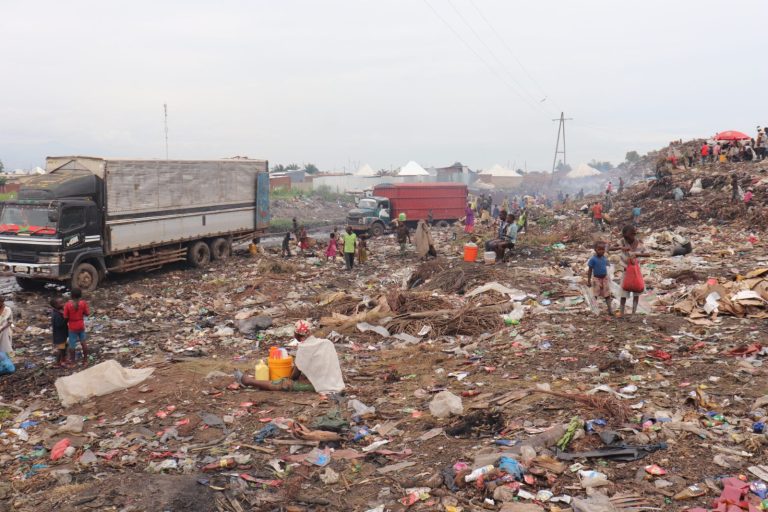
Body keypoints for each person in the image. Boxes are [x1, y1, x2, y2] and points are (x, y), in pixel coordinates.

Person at [235, 320, 345, 394]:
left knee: (284, 383)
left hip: (324, 387)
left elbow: (294, 376)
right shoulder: (326, 343)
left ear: (296, 335)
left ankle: (248, 381)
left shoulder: (304, 348)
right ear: (310, 332)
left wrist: (287, 376)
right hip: (337, 383)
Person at [611, 225, 650, 316]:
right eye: (629, 235)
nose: (630, 237)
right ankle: (621, 312)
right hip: (626, 271)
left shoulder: (638, 242)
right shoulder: (622, 241)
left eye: (633, 234)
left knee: (636, 293)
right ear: (624, 235)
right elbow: (610, 248)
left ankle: (633, 313)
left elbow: (648, 254)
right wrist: (621, 248)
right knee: (623, 293)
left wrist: (637, 254)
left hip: (636, 271)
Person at [63, 288, 90, 365]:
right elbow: (87, 313)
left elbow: (65, 317)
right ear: (80, 295)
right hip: (81, 325)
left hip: (72, 326)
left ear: (71, 296)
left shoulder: (68, 305)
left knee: (72, 345)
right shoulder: (83, 303)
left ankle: (73, 361)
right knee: (83, 343)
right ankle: (85, 361)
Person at [587, 241, 612, 316]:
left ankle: (610, 310)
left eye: (603, 249)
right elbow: (590, 270)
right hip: (596, 279)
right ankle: (594, 310)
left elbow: (608, 267)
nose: (601, 251)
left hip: (604, 278)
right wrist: (588, 281)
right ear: (595, 250)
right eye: (599, 249)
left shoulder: (604, 258)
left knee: (607, 295)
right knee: (595, 295)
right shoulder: (593, 259)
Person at [51, 296, 69, 368]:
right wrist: (66, 318)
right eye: (61, 303)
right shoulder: (56, 314)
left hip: (63, 334)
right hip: (59, 335)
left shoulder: (59, 311)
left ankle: (63, 360)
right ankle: (58, 363)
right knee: (61, 349)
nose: (63, 304)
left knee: (64, 347)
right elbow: (59, 325)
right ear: (55, 306)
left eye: (63, 302)